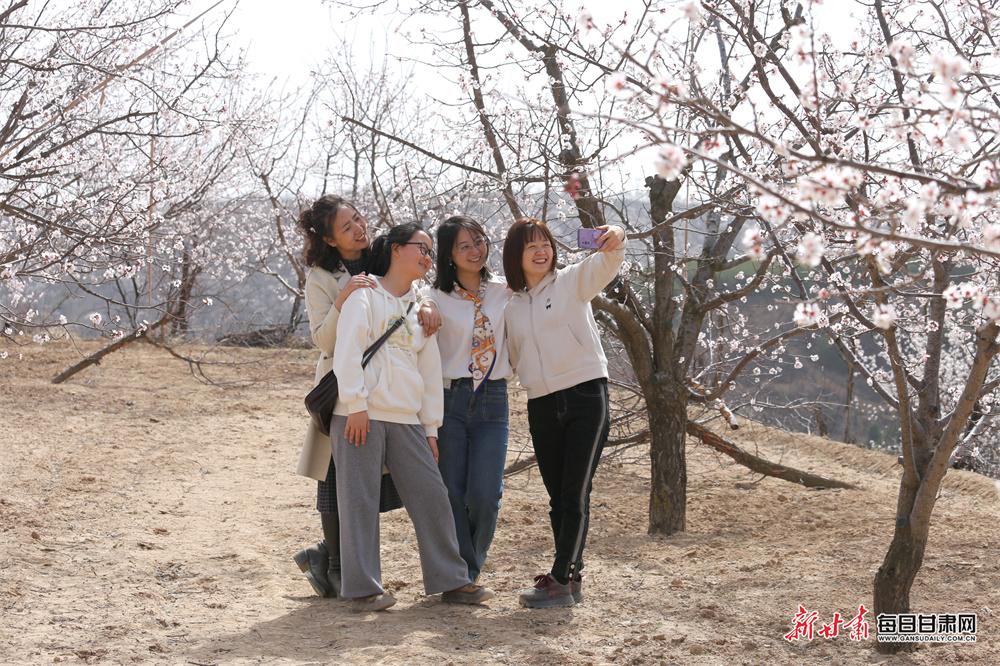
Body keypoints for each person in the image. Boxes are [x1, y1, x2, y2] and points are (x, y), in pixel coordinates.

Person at [331, 222, 493, 612]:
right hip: (360, 414)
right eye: (421, 248)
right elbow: (346, 351)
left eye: (429, 251)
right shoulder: (364, 293)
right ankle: (364, 590)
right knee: (359, 500)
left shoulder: (421, 306)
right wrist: (355, 405)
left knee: (432, 495)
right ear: (395, 249)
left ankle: (452, 580)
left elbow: (429, 369)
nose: (427, 257)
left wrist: (430, 427)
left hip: (406, 418)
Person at [292, 196, 440, 598]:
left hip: (387, 391)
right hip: (341, 387)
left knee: (369, 485)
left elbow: (407, 287)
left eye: (358, 219)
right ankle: (336, 567)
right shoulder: (321, 277)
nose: (359, 228)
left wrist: (427, 304)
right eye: (347, 226)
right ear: (329, 238)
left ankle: (326, 556)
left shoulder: (379, 255)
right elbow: (324, 340)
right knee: (334, 477)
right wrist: (343, 300)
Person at [502, 218, 626, 608]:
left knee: (574, 492)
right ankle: (571, 577)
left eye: (546, 244)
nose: (542, 252)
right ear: (516, 256)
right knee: (558, 497)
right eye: (531, 247)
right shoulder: (511, 306)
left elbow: (608, 261)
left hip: (585, 394)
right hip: (540, 403)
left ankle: (560, 578)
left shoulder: (572, 281)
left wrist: (617, 235)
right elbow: (509, 357)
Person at [427, 216, 511, 583]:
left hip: (493, 397)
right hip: (450, 399)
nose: (475, 251)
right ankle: (462, 577)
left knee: (485, 495)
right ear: (449, 254)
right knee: (451, 492)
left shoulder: (505, 291)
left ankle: (468, 568)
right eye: (464, 246)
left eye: (479, 241)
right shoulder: (433, 297)